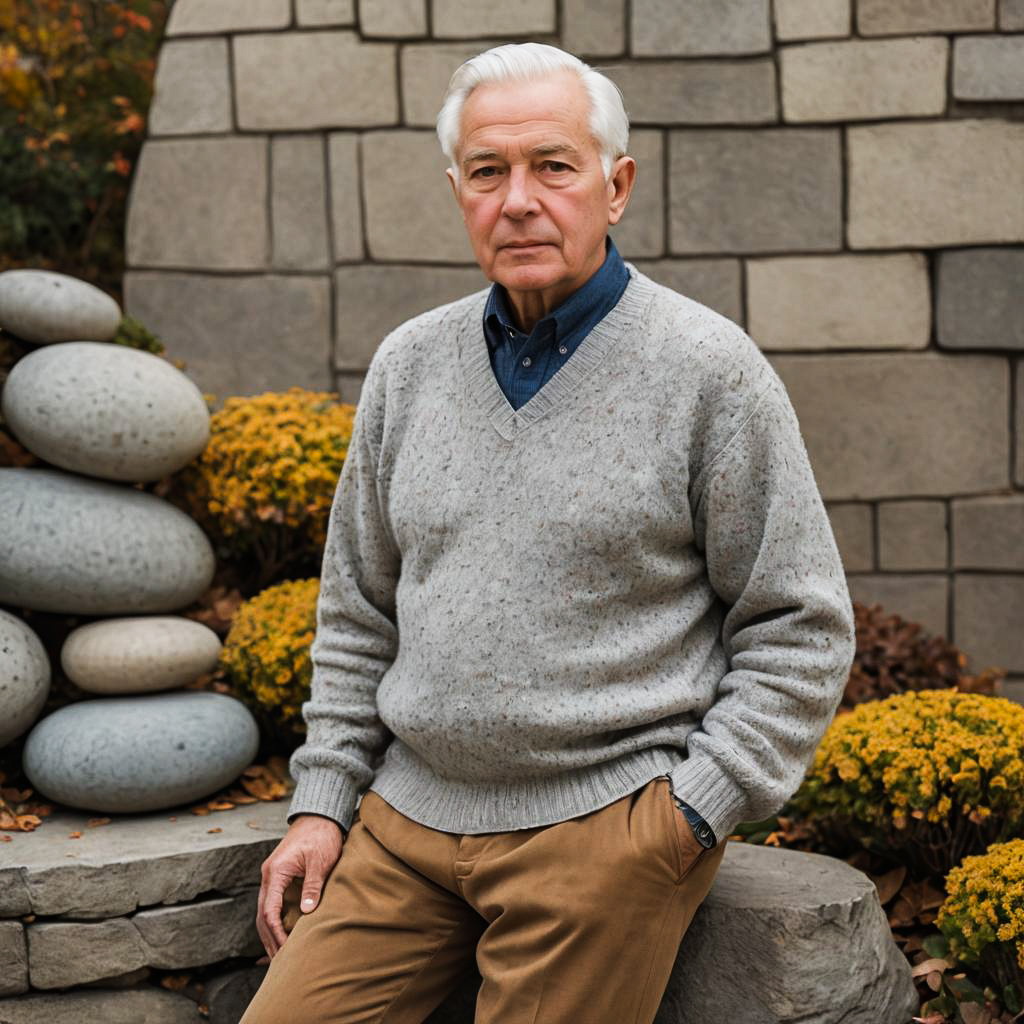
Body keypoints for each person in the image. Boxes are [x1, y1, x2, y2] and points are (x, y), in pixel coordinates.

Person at [240, 41, 856, 1024]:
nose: (517, 199)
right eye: (488, 171)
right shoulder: (408, 367)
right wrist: (321, 801)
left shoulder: (708, 372)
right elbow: (358, 610)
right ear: (458, 191)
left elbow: (800, 624)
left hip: (605, 834)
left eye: (552, 166)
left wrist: (690, 812)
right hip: (403, 823)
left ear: (615, 187)